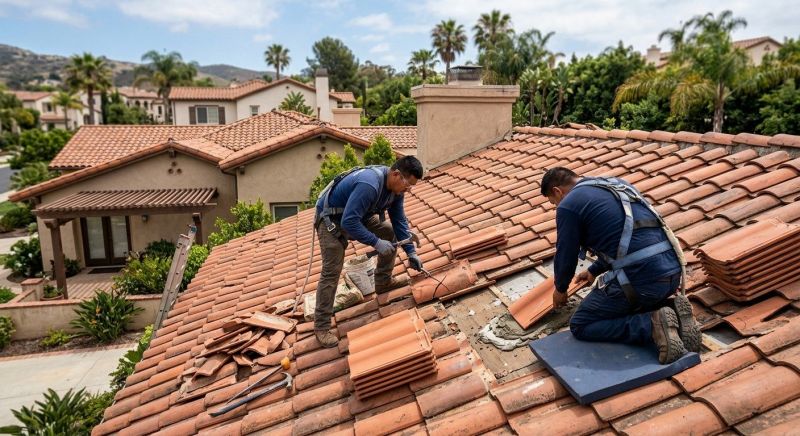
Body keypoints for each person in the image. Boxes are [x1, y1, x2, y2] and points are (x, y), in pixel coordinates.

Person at [540, 167, 700, 364]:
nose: (556, 206)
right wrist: (593, 270)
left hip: (644, 282)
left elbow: (566, 252)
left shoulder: (568, 205)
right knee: (628, 299)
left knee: (582, 324)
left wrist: (561, 288)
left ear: (557, 191)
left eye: (552, 202)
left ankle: (651, 325)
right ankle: (674, 312)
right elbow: (627, 237)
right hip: (672, 273)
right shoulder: (617, 184)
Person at [313, 156, 425, 347]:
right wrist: (376, 243)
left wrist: (410, 252)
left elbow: (398, 221)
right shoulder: (369, 184)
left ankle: (383, 282)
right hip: (331, 220)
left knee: (389, 233)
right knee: (332, 270)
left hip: (358, 215)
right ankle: (321, 327)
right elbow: (349, 221)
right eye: (408, 185)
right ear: (396, 174)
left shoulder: (396, 191)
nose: (408, 190)